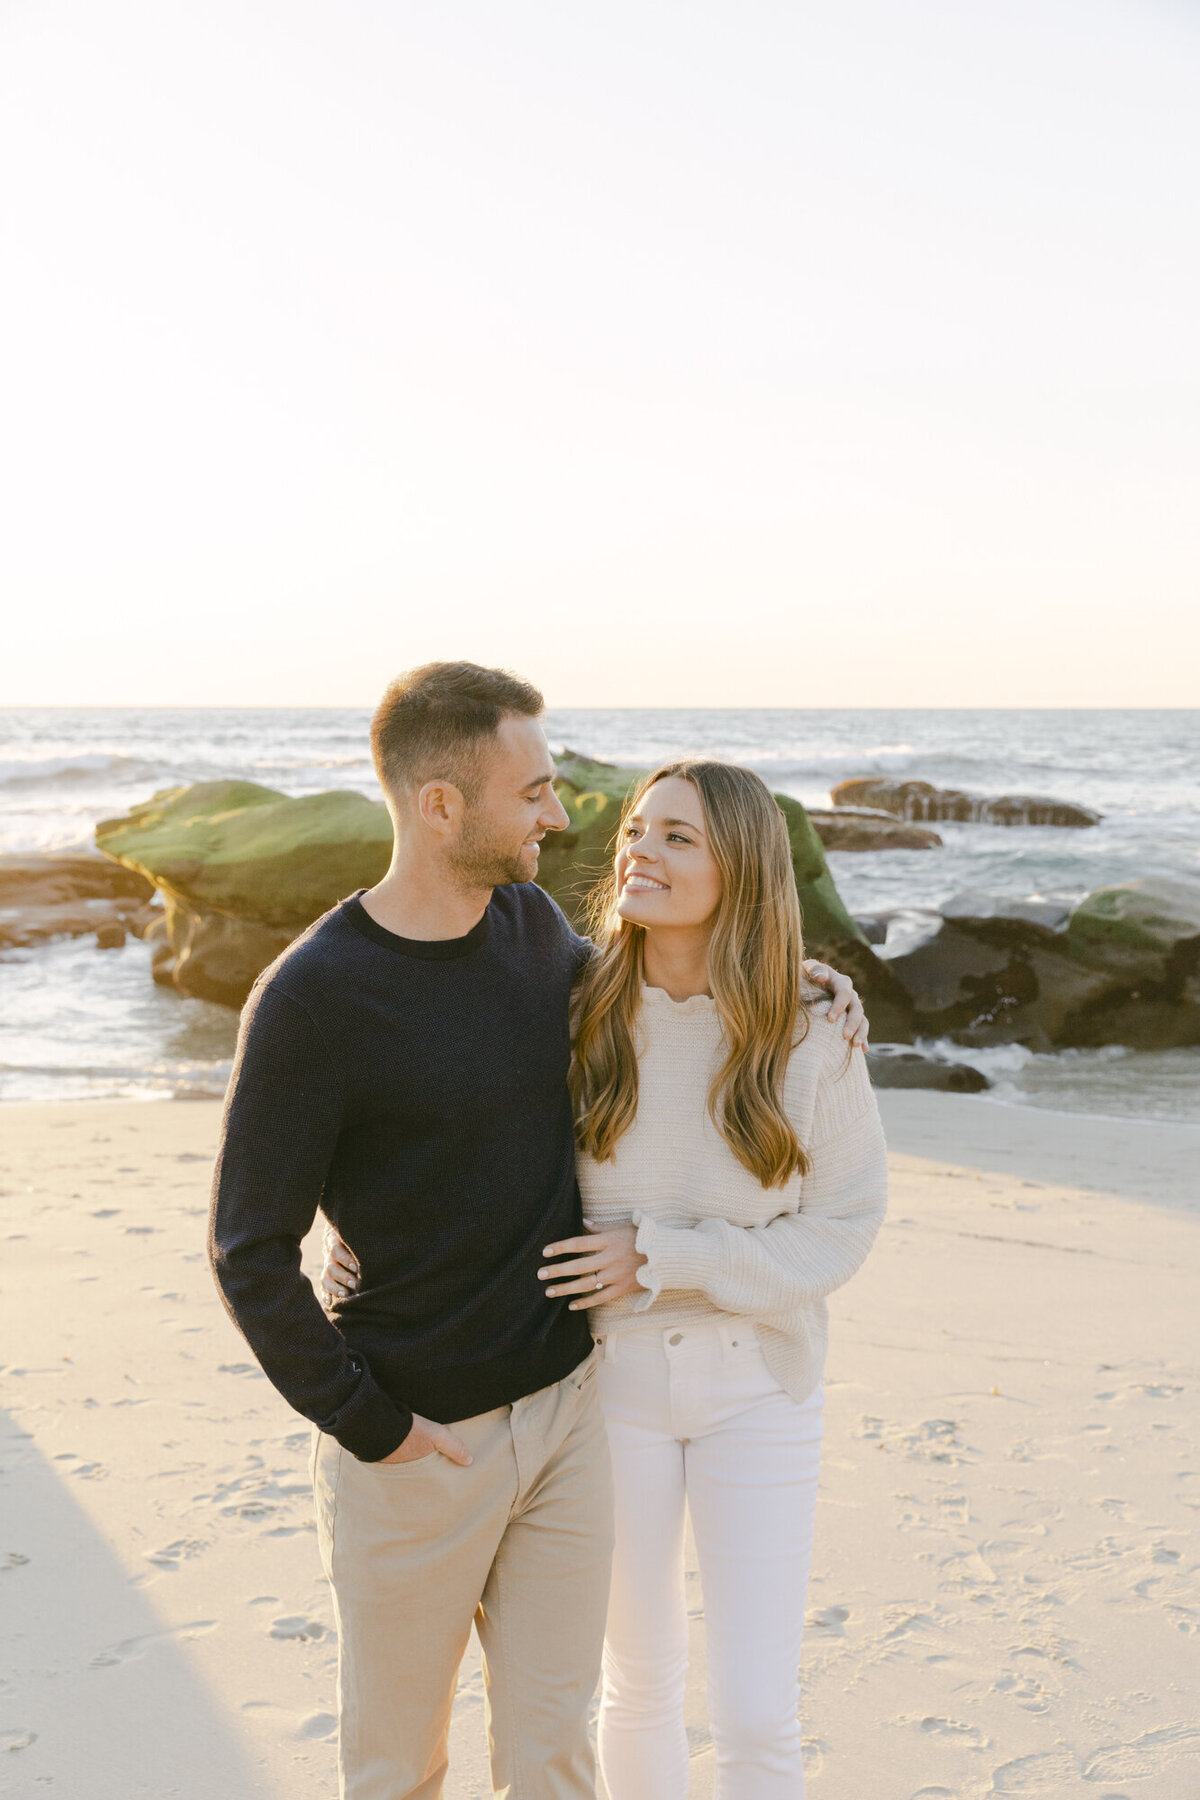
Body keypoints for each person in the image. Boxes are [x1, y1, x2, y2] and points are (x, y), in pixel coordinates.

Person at [213, 662, 867, 1800]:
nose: (565, 819)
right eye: (538, 793)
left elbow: (677, 992)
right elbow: (246, 1249)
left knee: (561, 1758)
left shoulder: (533, 940)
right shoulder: (314, 997)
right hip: (422, 1440)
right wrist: (368, 1421)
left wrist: (798, 979)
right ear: (441, 806)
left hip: (571, 1414)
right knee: (398, 1767)